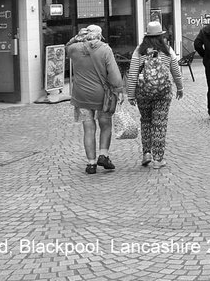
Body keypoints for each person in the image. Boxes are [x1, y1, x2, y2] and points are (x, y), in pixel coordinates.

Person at [126, 21, 184, 169]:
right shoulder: (167, 50)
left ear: (146, 35)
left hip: (143, 92)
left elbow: (133, 74)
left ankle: (146, 153)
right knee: (160, 123)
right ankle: (158, 159)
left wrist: (131, 95)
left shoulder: (139, 51)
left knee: (145, 121)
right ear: (161, 35)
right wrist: (180, 87)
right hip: (162, 93)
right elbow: (176, 71)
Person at [68, 25, 124, 175]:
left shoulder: (74, 49)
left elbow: (67, 46)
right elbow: (114, 74)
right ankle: (103, 155)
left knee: (88, 129)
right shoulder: (105, 49)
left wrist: (77, 37)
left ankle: (91, 164)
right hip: (102, 96)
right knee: (105, 124)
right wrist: (119, 90)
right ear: (99, 36)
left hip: (81, 96)